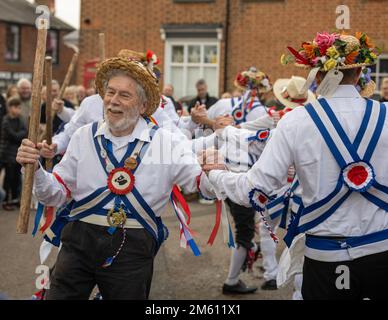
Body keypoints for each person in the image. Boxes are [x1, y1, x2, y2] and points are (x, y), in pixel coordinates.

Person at [16, 49, 216, 300]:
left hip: (133, 244)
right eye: (109, 92)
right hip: (77, 241)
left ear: (144, 105)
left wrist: (213, 170)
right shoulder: (83, 136)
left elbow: (201, 184)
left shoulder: (165, 143)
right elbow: (54, 194)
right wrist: (35, 171)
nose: (113, 101)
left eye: (124, 95)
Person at [203, 31, 388, 300]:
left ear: (318, 75)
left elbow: (254, 191)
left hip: (327, 259)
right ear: (360, 72)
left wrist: (216, 173)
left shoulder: (295, 122)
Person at [0, 97, 27, 210]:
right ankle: (6, 201)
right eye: (16, 107)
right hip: (7, 154)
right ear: (10, 108)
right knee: (8, 178)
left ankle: (16, 199)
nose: (18, 109)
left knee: (17, 178)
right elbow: (13, 135)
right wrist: (19, 135)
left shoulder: (21, 120)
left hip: (17, 153)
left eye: (19, 107)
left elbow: (25, 131)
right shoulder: (5, 120)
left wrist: (19, 135)